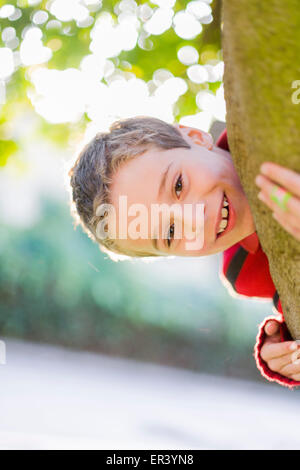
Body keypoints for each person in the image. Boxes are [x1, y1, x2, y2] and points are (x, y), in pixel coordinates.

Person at [68, 116, 300, 388]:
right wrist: (285, 342)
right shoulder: (246, 270)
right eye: (169, 233)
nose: (195, 219)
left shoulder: (273, 123)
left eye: (178, 185)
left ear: (195, 137)